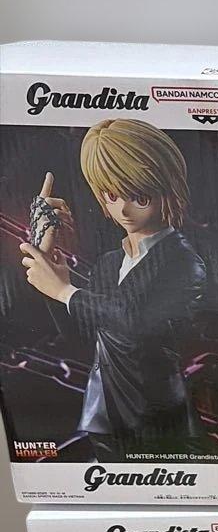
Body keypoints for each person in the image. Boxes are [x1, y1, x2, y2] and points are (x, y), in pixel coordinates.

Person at [19, 119, 207, 462]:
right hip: (102, 415)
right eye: (112, 195)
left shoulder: (182, 261)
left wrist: (65, 291)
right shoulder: (109, 263)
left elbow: (134, 321)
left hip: (157, 421)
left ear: (168, 188)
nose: (123, 209)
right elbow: (84, 331)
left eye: (140, 196)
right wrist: (48, 259)